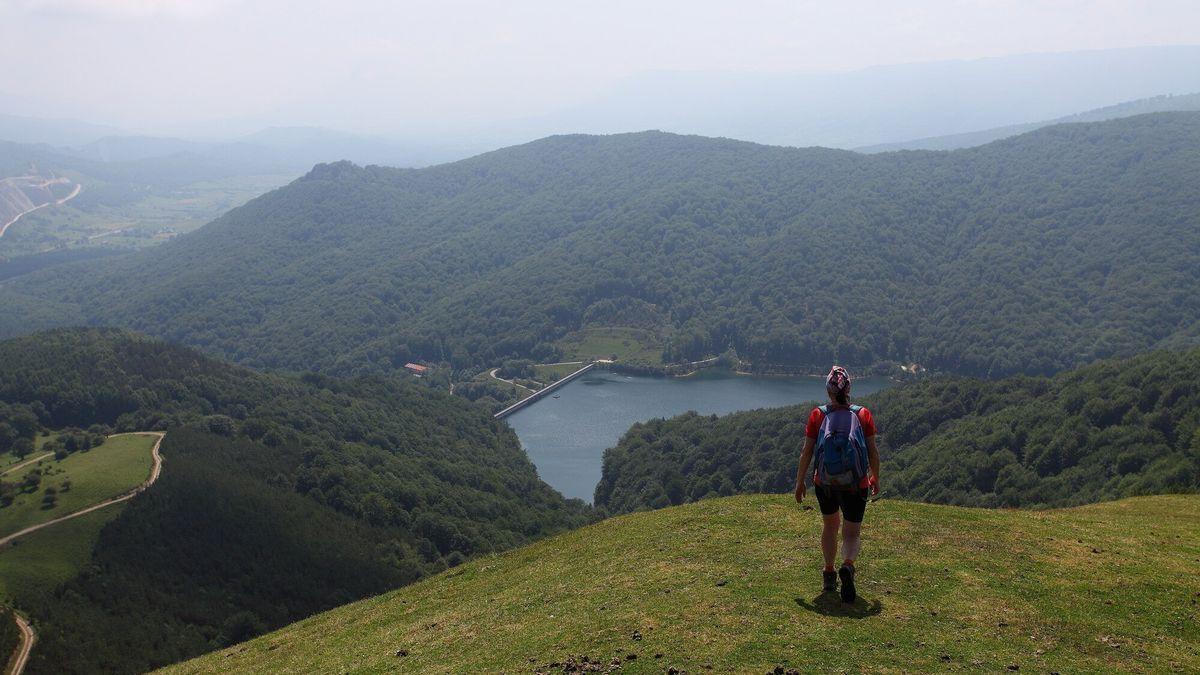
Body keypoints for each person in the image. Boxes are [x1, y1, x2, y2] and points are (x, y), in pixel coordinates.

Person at [794, 366, 880, 602]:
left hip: (825, 483)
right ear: (849, 388)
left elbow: (807, 452)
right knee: (851, 533)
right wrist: (875, 477)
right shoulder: (863, 415)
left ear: (828, 390)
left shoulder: (818, 415)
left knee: (830, 526)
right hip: (856, 483)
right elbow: (873, 452)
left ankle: (829, 573)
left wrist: (800, 482)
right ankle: (848, 565)